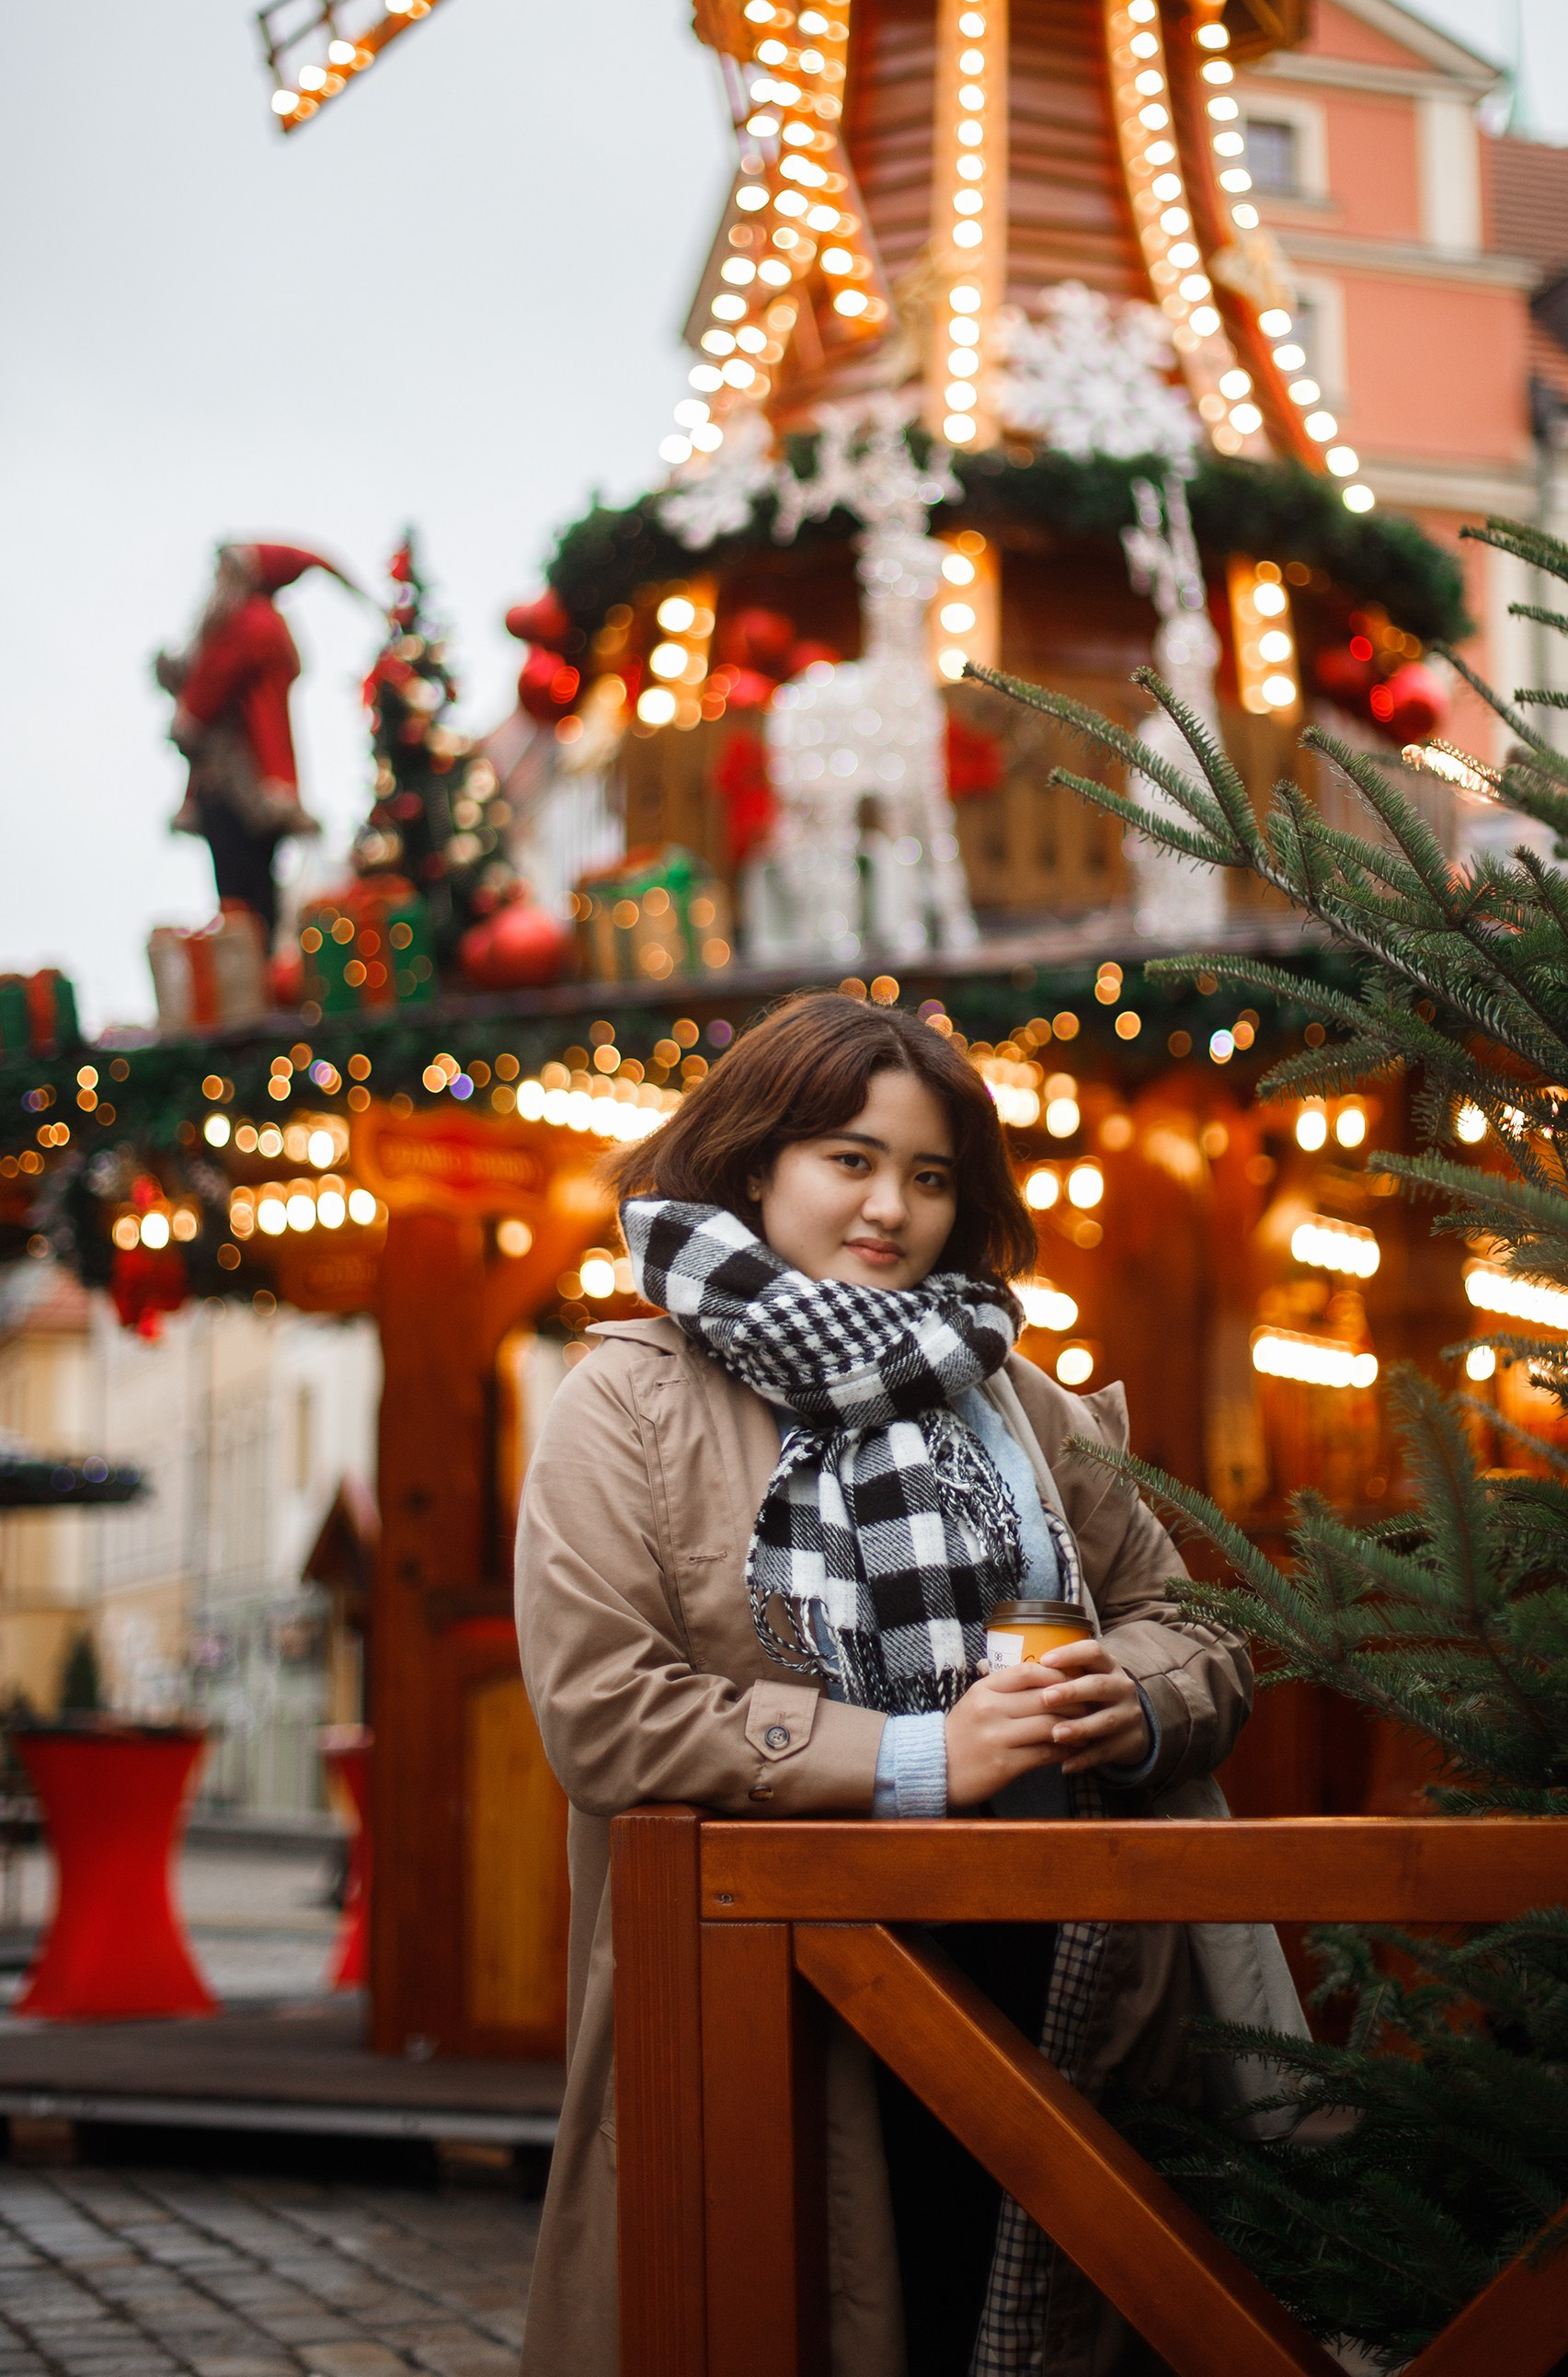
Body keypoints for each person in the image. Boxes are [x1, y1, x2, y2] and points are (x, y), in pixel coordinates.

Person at [515, 992, 1288, 2377]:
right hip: (776, 1997)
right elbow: (601, 1711)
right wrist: (918, 1758)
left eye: (931, 1177)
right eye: (852, 1160)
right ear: (758, 1164)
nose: (894, 1208)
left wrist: (1140, 1694)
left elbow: (1194, 1621)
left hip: (1061, 1980)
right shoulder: (626, 1399)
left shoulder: (1024, 1400)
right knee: (821, 2314)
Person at [155, 539, 359, 947]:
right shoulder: (263, 623)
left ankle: (255, 977)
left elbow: (207, 693)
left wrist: (187, 712)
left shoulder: (246, 623)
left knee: (241, 898)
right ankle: (262, 967)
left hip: (238, 784)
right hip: (265, 784)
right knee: (257, 889)